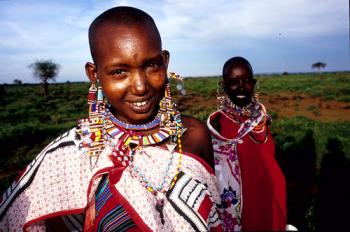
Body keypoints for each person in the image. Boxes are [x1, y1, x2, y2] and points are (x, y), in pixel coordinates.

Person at [0, 6, 222, 231]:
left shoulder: (193, 135)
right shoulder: (74, 154)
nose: (140, 86)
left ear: (164, 62)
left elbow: (218, 211)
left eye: (151, 65)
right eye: (119, 72)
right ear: (94, 75)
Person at [207, 57, 287, 231]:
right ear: (223, 86)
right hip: (239, 208)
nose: (242, 87)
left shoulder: (261, 120)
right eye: (234, 82)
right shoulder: (217, 125)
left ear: (254, 83)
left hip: (268, 199)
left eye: (247, 81)